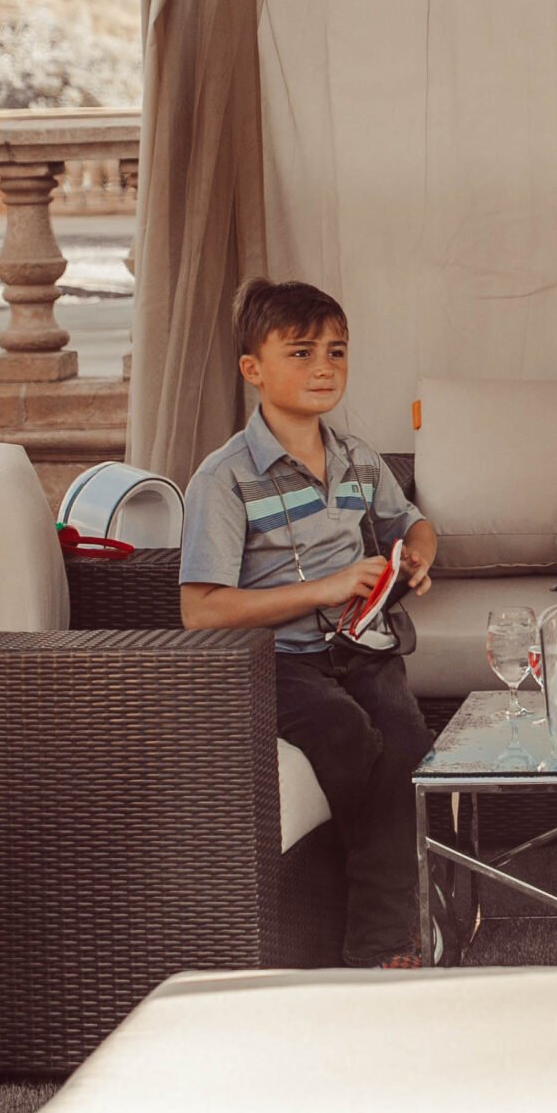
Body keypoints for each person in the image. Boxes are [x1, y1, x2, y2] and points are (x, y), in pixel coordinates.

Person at [180, 279, 438, 969]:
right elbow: (200, 608)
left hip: (364, 647)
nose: (324, 367)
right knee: (351, 736)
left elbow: (411, 523)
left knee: (410, 748)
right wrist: (323, 586)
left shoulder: (357, 458)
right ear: (253, 370)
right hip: (278, 662)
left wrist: (415, 557)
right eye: (301, 353)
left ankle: (384, 923)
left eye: (337, 351)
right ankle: (389, 938)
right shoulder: (223, 479)